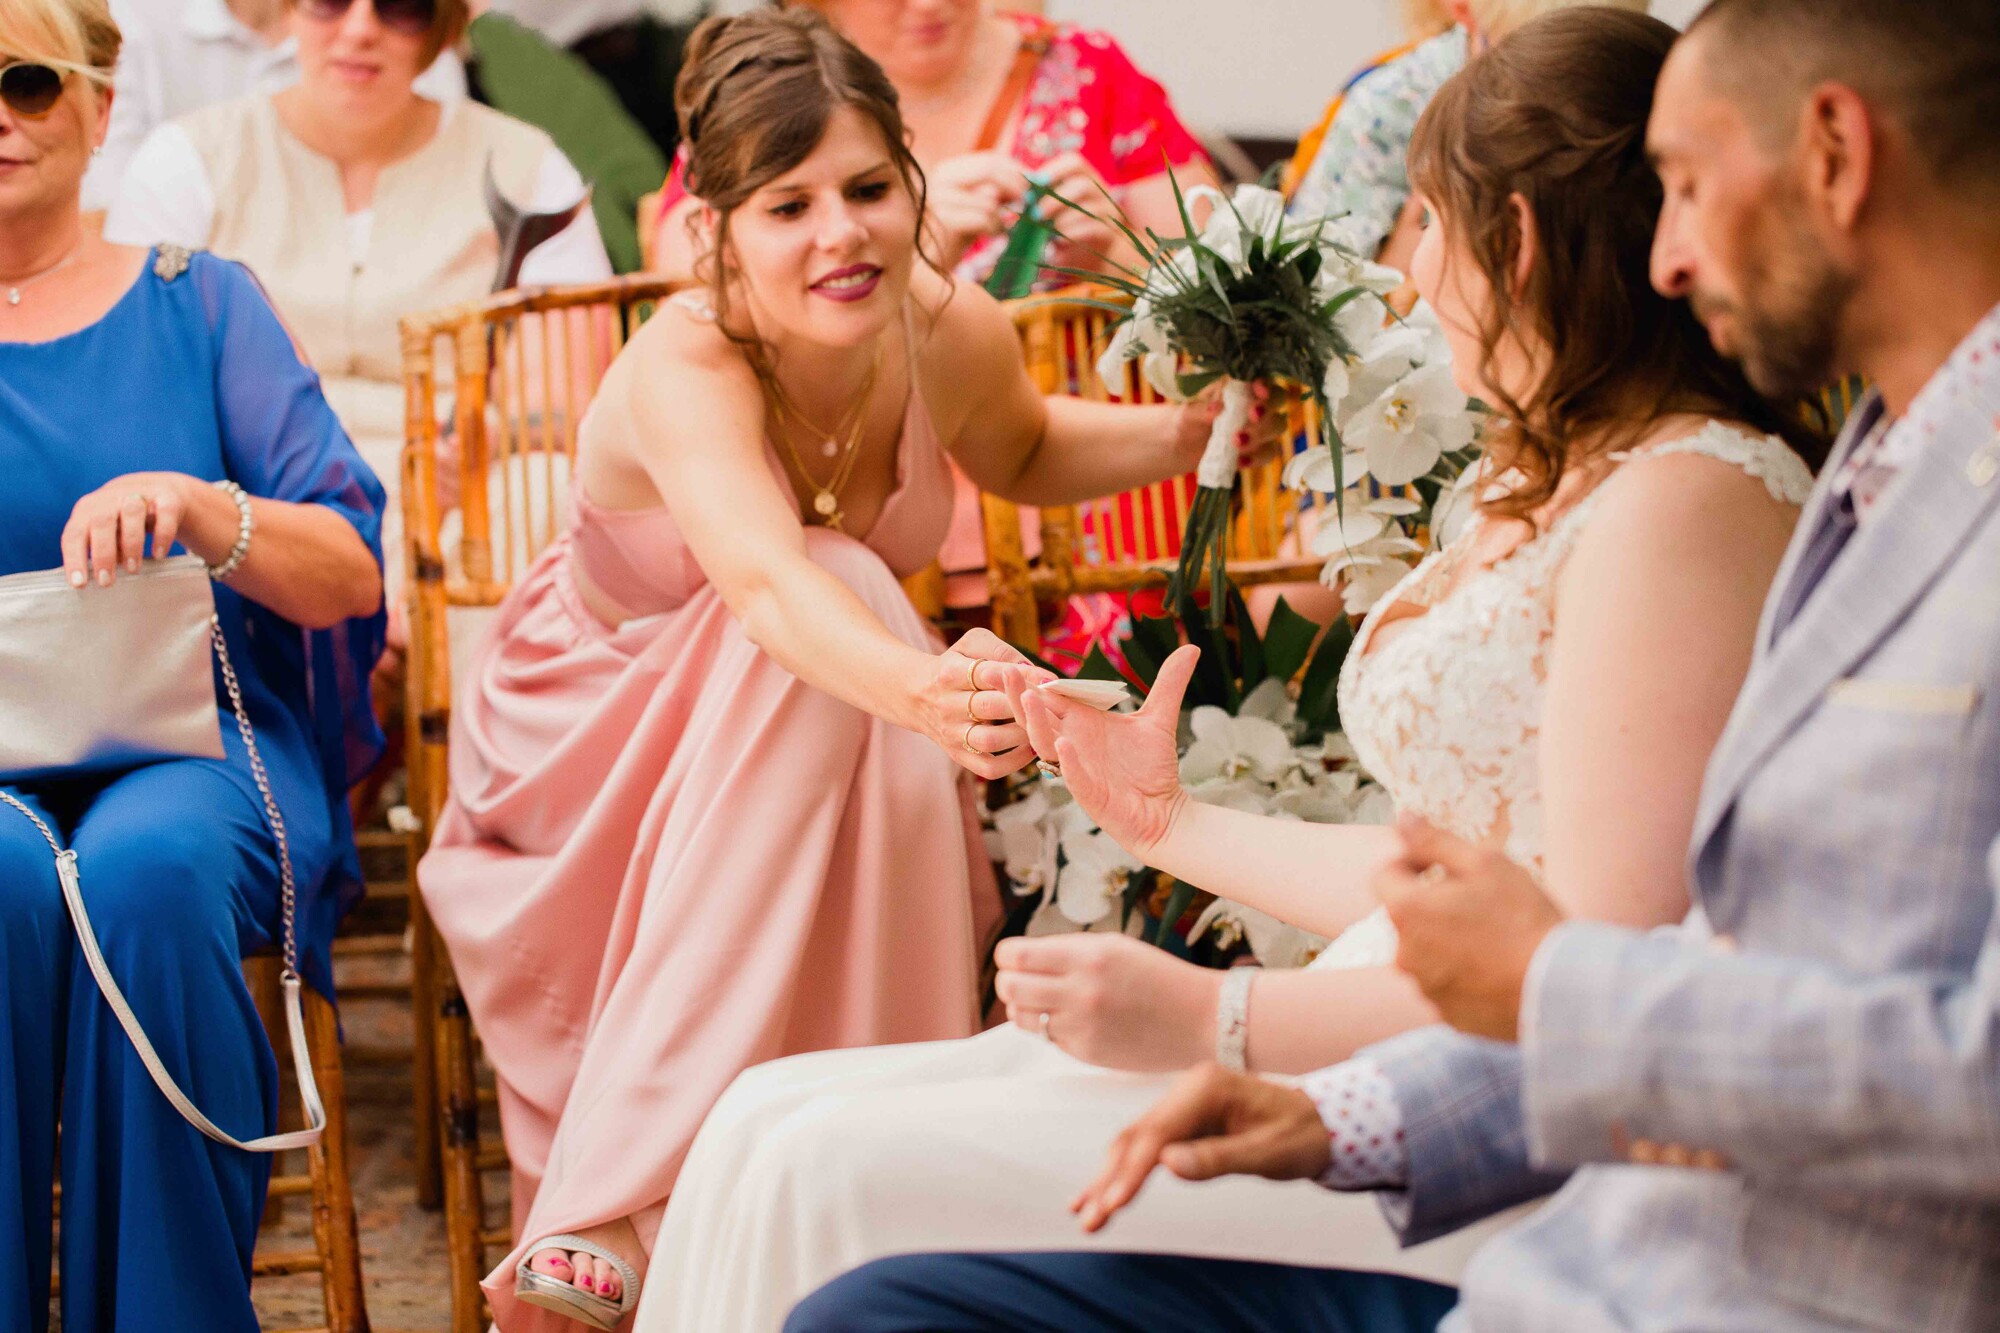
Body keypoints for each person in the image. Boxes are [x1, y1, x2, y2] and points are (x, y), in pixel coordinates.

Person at [792, 0, 2000, 1328]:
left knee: (837, 1200)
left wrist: (1234, 1023)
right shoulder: (1874, 469)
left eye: (1694, 186)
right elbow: (1680, 954)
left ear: (1833, 150)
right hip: (1551, 1193)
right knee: (800, 1161)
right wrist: (1313, 1079)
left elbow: (1609, 965)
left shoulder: (1711, 492)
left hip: (1734, 1273)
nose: (1669, 255)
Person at [413, 11, 1275, 1330]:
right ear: (714, 223)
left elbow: (1028, 448)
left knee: (859, 630)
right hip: (597, 743)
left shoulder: (937, 324)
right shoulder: (685, 363)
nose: (842, 235)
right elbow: (766, 583)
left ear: (914, 186)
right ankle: (625, 1189)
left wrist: (1181, 432)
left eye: (871, 190)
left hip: (812, 731)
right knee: (853, 587)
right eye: (790, 205)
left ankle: (766, 1200)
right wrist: (928, 689)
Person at [0, 3, 387, 1330]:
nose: (0, 111)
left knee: (150, 874)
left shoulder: (201, 301)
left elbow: (349, 570)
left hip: (193, 746)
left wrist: (202, 503)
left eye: (28, 81)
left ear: (100, 108)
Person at [102, 0, 612, 622]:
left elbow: (569, 399)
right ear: (288, 10)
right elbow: (140, 373)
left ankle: (447, 694)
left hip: (460, 506)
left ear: (442, 29)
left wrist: (490, 440)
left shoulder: (528, 168)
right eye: (329, 2)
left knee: (546, 486)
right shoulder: (189, 159)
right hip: (265, 493)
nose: (360, 29)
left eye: (402, 8)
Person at [649, 0, 1218, 290]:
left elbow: (1226, 271)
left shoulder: (1089, 69)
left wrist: (1117, 257)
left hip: (1099, 473)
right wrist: (910, 252)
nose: (928, 4)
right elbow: (686, 294)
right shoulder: (765, 92)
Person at [1289, 0, 1645, 277]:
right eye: (1534, 67)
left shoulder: (1639, 93)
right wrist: (1393, 276)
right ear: (1464, 9)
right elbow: (1307, 305)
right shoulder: (1386, 111)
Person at [81, 0, 464, 211]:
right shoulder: (135, 21)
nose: (360, 30)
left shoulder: (405, 35)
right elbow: (111, 201)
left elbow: (440, 187)